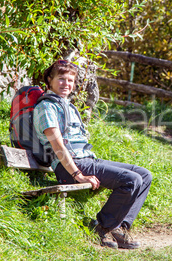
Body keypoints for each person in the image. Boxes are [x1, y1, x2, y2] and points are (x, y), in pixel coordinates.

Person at [33, 59, 152, 249]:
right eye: (61, 79)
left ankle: (119, 228)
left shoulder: (67, 106)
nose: (66, 84)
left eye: (70, 80)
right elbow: (58, 147)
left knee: (145, 175)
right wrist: (77, 175)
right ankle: (102, 227)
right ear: (49, 79)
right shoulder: (46, 107)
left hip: (86, 160)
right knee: (131, 180)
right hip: (69, 166)